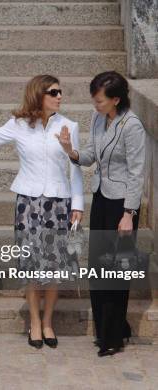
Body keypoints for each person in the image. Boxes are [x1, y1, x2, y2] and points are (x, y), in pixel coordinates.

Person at [0, 74, 84, 349]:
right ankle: (34, 321)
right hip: (28, 204)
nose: (59, 97)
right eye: (53, 92)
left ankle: (48, 322)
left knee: (55, 267)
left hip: (59, 203)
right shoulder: (18, 124)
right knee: (31, 265)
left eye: (61, 92)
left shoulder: (70, 125)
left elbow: (75, 168)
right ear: (38, 95)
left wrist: (77, 204)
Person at [55, 71, 146, 357]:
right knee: (98, 267)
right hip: (102, 198)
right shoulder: (97, 119)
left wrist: (129, 213)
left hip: (123, 205)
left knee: (117, 271)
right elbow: (91, 156)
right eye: (94, 101)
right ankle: (107, 330)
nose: (95, 105)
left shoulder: (132, 126)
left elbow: (136, 172)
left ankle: (114, 336)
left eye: (100, 101)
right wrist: (70, 151)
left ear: (116, 100)